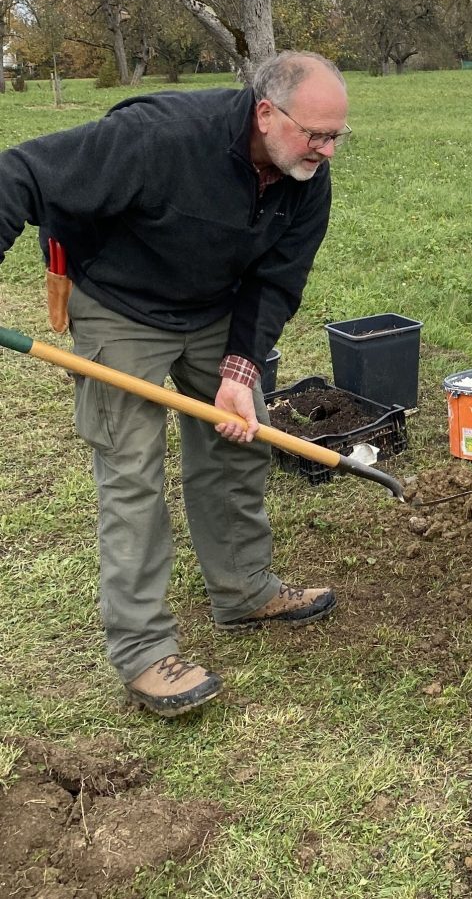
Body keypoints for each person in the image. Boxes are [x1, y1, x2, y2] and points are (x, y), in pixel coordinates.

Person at [0, 51, 351, 718]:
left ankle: (244, 588)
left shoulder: (306, 179)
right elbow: (20, 174)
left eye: (337, 136)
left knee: (239, 439)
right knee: (131, 471)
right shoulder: (157, 138)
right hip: (122, 302)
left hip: (215, 306)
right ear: (266, 112)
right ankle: (142, 649)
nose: (327, 151)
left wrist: (239, 369)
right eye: (316, 134)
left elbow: (278, 280)